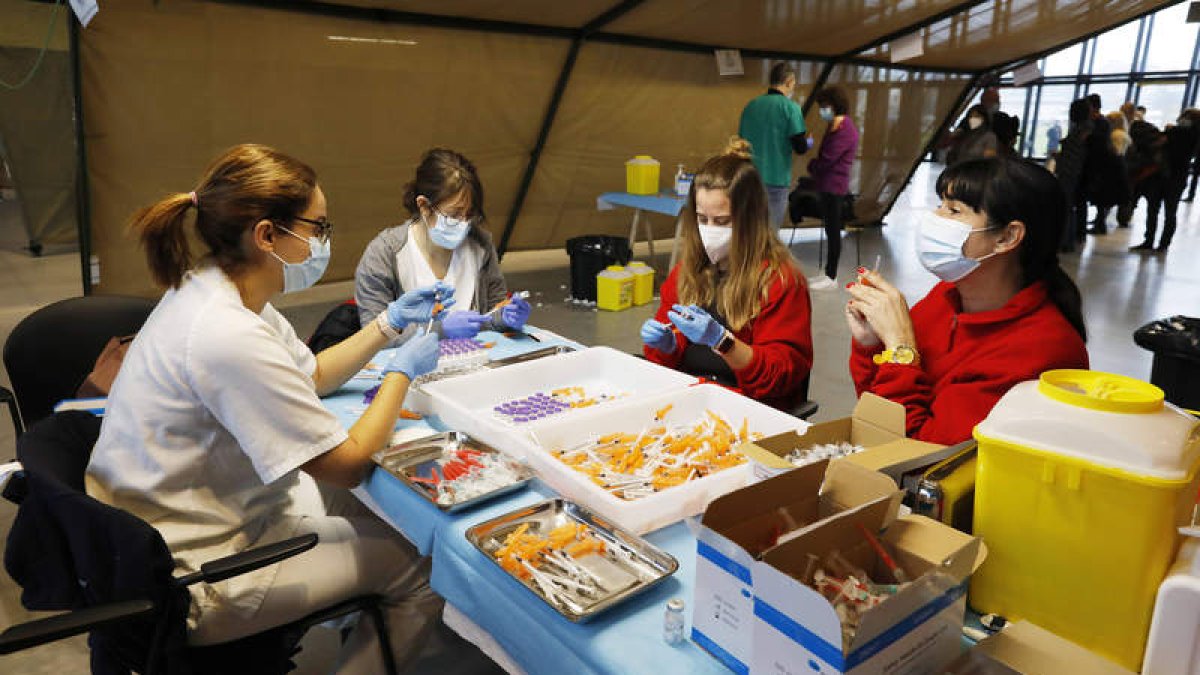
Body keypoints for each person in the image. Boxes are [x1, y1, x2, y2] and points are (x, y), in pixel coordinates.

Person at [86, 144, 449, 673]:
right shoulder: (226, 333)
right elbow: (346, 466)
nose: (324, 241)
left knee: (375, 512)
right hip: (197, 575)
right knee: (423, 570)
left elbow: (314, 375)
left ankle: (344, 610)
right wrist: (401, 371)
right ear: (267, 235)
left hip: (176, 527)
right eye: (318, 227)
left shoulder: (216, 289)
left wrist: (387, 326)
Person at [846, 156, 1089, 444]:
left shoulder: (1041, 350)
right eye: (940, 205)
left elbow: (921, 454)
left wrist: (900, 348)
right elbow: (875, 409)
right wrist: (872, 344)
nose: (934, 218)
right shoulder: (947, 296)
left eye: (953, 210)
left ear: (1007, 237)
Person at [641, 138, 813, 411]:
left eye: (722, 222)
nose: (710, 230)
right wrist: (666, 346)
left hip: (747, 408)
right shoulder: (686, 273)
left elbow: (782, 376)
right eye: (702, 219)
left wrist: (724, 343)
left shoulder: (780, 281)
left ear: (751, 220)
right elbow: (664, 365)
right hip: (691, 398)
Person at [356, 148, 530, 343]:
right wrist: (441, 330)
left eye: (470, 214)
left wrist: (505, 317)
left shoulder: (480, 247)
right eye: (455, 214)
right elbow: (370, 339)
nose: (464, 223)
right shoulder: (384, 255)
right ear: (423, 206)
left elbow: (491, 316)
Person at [738, 62, 809, 230]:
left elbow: (740, 142)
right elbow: (800, 147)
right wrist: (808, 143)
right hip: (776, 181)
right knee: (770, 235)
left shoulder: (751, 106)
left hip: (749, 178)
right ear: (789, 81)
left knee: (750, 232)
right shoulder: (791, 109)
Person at [804, 86, 860, 290]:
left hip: (835, 187)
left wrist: (812, 166)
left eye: (824, 106)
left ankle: (831, 276)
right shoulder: (835, 126)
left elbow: (826, 159)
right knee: (829, 229)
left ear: (834, 105)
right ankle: (827, 272)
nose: (822, 110)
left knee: (834, 231)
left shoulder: (846, 129)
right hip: (826, 185)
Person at [1132, 109, 1200, 253]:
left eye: (1187, 117)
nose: (1183, 119)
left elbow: (1157, 145)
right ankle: (1163, 245)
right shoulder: (1195, 138)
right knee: (1170, 212)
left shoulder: (1174, 132)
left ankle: (1149, 241)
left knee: (1154, 210)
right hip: (1178, 178)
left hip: (1161, 175)